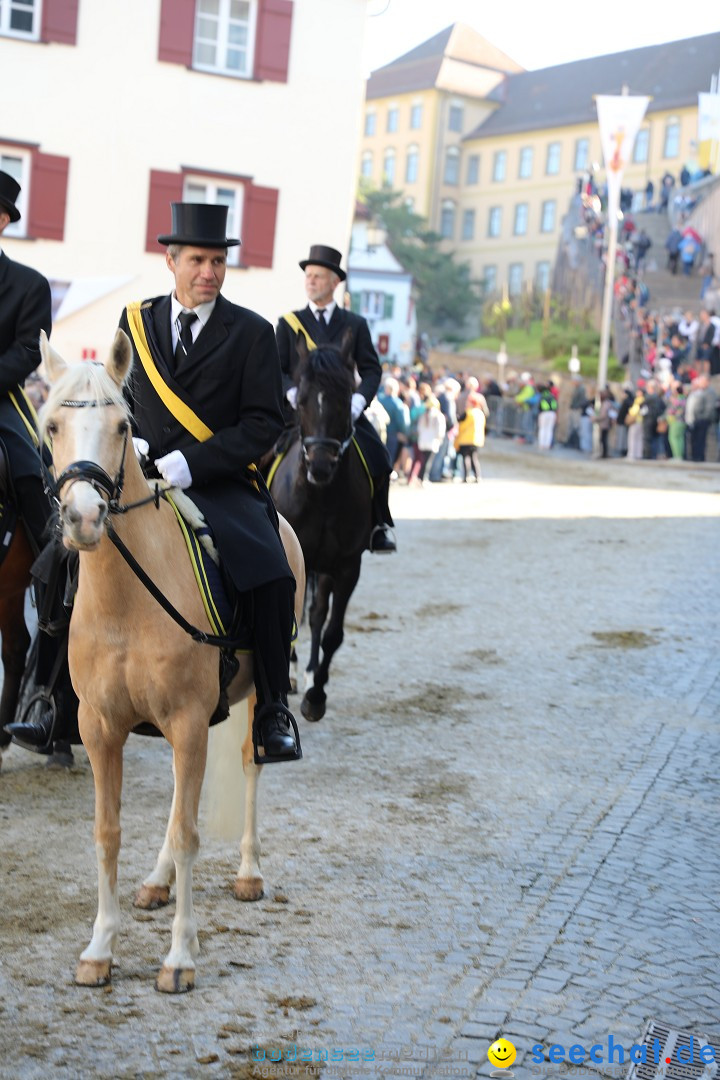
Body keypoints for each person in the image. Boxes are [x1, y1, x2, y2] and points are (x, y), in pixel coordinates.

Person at [14, 202, 301, 762]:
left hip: (219, 482)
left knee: (270, 566)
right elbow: (126, 400)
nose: (209, 272)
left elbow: (265, 423)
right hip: (140, 479)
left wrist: (191, 464)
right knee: (59, 558)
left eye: (218, 261)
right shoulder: (135, 321)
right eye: (197, 260)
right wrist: (136, 448)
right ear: (172, 261)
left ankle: (272, 707)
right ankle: (47, 699)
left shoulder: (252, 332)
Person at [0, 171, 79, 763]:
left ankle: (53, 570)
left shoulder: (27, 283)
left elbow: (29, 350)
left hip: (0, 402)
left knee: (31, 474)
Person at [275, 245, 396, 553]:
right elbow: (276, 367)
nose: (311, 281)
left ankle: (378, 525)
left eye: (318, 276)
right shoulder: (290, 323)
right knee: (260, 454)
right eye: (309, 276)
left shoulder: (355, 324)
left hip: (343, 412)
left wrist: (359, 401)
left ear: (334, 283)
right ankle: (261, 518)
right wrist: (291, 391)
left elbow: (371, 369)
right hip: (299, 410)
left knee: (379, 457)